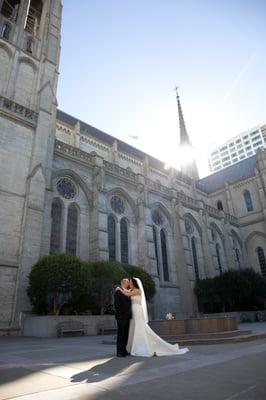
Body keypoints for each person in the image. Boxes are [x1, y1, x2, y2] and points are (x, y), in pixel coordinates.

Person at [116, 277, 189, 357]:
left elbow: (126, 293)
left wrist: (119, 289)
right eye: (128, 283)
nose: (129, 284)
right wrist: (121, 289)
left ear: (134, 283)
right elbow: (126, 292)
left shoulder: (137, 290)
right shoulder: (132, 290)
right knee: (134, 328)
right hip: (132, 313)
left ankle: (140, 347)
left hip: (137, 310)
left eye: (130, 283)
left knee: (139, 327)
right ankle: (132, 347)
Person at [114, 278, 132, 357]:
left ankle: (124, 350)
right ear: (123, 283)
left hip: (127, 316)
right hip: (121, 317)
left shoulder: (127, 291)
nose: (128, 284)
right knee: (121, 334)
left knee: (126, 334)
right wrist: (120, 316)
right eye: (127, 283)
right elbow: (117, 305)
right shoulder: (118, 291)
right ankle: (119, 352)